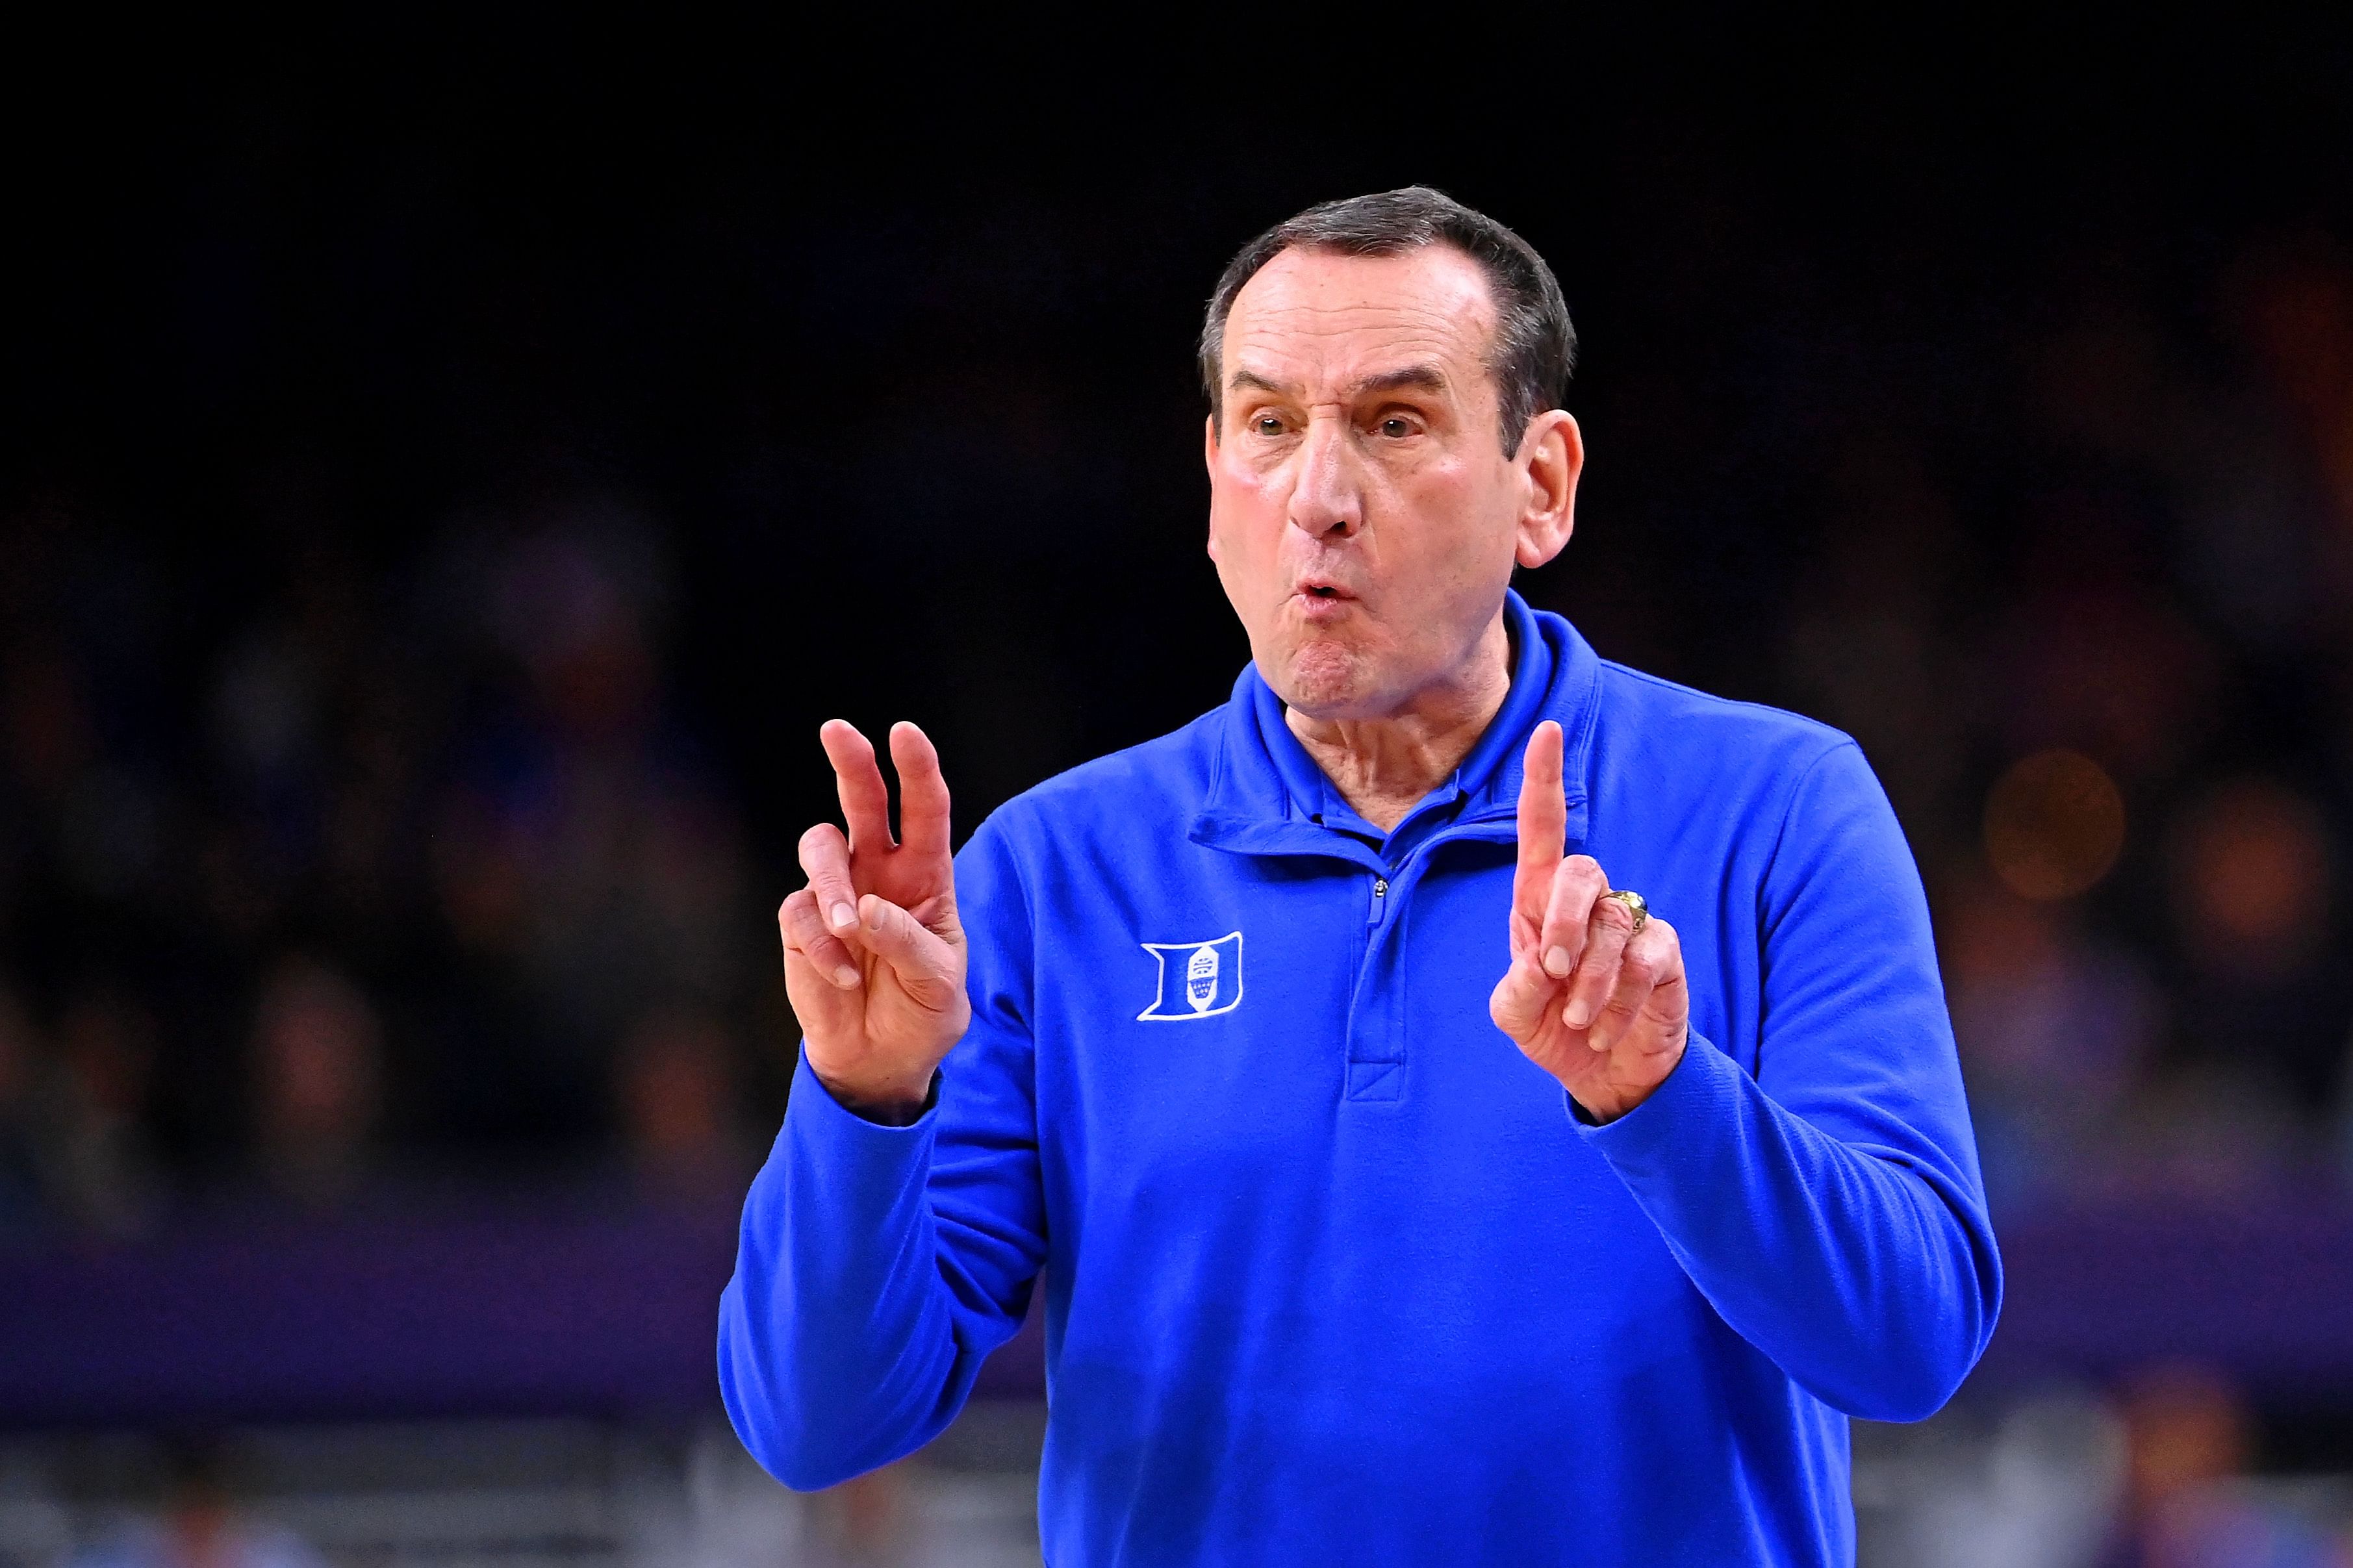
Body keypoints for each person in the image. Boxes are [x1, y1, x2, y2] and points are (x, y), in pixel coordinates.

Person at [719, 186, 2001, 1566]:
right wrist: (862, 1099)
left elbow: (1910, 1344)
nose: (1318, 499)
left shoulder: (1776, 807)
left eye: (1394, 423)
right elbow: (814, 1425)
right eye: (1269, 427)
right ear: (1213, 480)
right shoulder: (1048, 875)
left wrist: (1662, 1098)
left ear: (1542, 485)